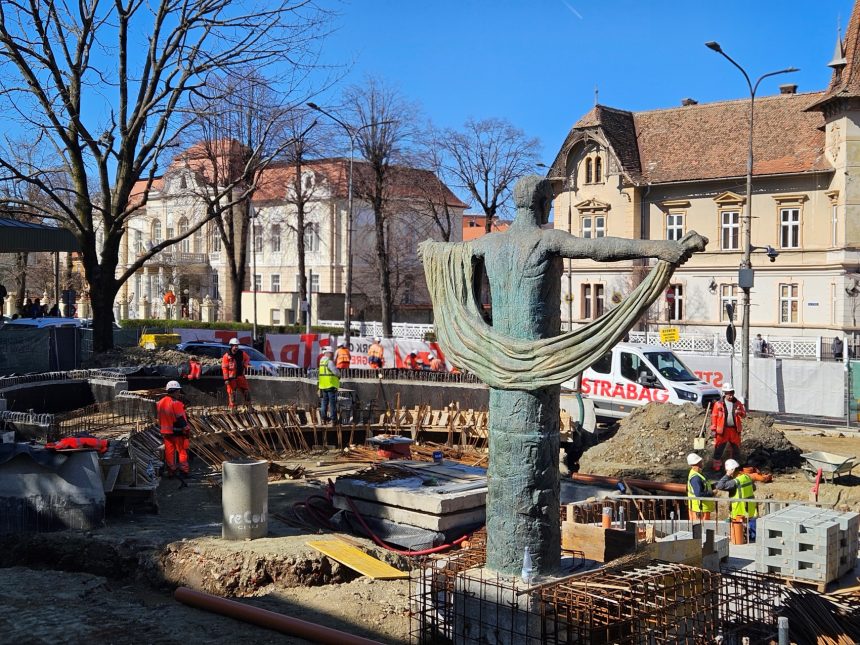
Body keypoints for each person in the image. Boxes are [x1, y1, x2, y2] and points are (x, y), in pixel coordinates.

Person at [715, 458, 757, 539]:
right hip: (750, 510)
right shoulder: (747, 477)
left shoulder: (735, 482)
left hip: (739, 512)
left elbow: (719, 486)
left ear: (732, 470)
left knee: (738, 537)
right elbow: (753, 488)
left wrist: (727, 475)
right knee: (752, 538)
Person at [157, 380, 190, 481]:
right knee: (182, 451)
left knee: (169, 452)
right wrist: (187, 431)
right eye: (178, 391)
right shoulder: (176, 403)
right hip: (177, 432)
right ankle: (184, 471)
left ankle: (171, 471)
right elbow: (181, 419)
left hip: (166, 433)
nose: (179, 393)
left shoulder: (160, 403)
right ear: (175, 391)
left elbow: (160, 418)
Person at [710, 382, 745, 471]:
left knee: (736, 448)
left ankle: (734, 465)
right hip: (723, 430)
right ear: (724, 393)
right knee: (719, 448)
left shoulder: (737, 403)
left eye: (732, 393)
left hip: (734, 430)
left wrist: (739, 412)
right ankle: (717, 465)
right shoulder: (718, 404)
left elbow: (744, 415)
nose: (731, 396)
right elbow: (714, 416)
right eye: (728, 393)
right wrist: (713, 429)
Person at [221, 337, 252, 408]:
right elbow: (224, 368)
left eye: (237, 345)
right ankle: (232, 408)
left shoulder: (241, 353)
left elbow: (247, 358)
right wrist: (226, 379)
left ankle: (248, 406)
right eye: (234, 346)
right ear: (231, 346)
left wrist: (245, 364)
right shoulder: (226, 356)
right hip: (231, 378)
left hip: (240, 376)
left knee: (246, 391)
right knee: (232, 394)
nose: (236, 347)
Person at [686, 453, 716, 521]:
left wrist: (713, 486)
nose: (702, 464)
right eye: (700, 463)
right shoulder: (696, 478)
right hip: (699, 510)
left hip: (701, 508)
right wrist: (712, 493)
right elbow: (699, 494)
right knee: (700, 529)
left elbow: (704, 486)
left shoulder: (697, 474)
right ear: (695, 465)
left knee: (702, 529)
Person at [318, 348, 340, 424]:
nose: (333, 355)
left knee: (324, 402)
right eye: (331, 353)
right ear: (327, 353)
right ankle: (334, 420)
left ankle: (323, 418)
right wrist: (339, 376)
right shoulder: (329, 362)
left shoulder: (322, 361)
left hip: (323, 386)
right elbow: (336, 372)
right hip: (330, 386)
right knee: (332, 403)